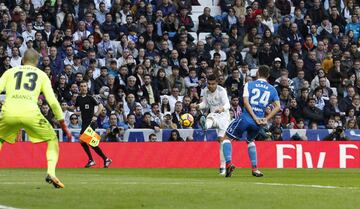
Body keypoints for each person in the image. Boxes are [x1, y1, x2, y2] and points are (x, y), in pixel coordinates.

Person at [0, 49, 72, 189]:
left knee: (0, 138)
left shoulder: (9, 72)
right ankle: (51, 173)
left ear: (22, 60)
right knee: (52, 139)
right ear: (37, 62)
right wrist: (63, 125)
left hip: (9, 112)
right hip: (31, 113)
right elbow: (52, 101)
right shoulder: (42, 75)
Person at [223, 65, 280, 177]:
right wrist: (266, 119)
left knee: (226, 138)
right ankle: (255, 169)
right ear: (268, 75)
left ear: (258, 73)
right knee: (250, 141)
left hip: (246, 118)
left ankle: (229, 164)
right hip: (259, 122)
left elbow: (245, 102)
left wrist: (253, 116)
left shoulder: (249, 84)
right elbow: (277, 107)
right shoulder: (272, 89)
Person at [195, 74, 231, 175]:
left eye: (213, 84)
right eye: (209, 84)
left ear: (217, 83)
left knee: (221, 141)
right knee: (210, 117)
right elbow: (205, 104)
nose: (211, 86)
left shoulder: (221, 91)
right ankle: (205, 126)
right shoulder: (205, 91)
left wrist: (222, 109)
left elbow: (227, 104)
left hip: (224, 117)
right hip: (214, 115)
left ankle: (223, 167)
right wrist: (198, 106)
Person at [75, 81, 112, 168]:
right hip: (84, 123)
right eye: (82, 86)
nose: (83, 88)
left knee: (85, 140)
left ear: (87, 88)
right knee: (88, 142)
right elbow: (76, 108)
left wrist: (96, 115)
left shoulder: (91, 97)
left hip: (91, 122)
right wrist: (63, 108)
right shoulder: (79, 98)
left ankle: (94, 160)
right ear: (79, 88)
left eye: (85, 86)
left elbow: (101, 106)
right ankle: (105, 159)